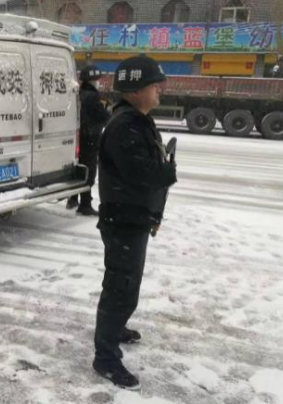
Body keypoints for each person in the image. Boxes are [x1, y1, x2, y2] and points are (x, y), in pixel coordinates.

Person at [92, 56, 177, 389]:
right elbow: (141, 173)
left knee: (126, 285)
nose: (160, 90)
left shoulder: (138, 120)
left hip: (133, 218)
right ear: (136, 89)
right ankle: (105, 358)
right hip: (123, 221)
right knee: (120, 289)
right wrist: (168, 171)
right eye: (155, 85)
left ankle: (115, 329)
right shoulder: (125, 126)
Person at [67, 65, 111, 216]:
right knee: (89, 171)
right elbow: (103, 117)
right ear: (92, 81)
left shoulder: (78, 93)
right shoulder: (93, 97)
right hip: (91, 138)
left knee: (78, 168)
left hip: (79, 137)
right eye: (96, 80)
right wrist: (107, 110)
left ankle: (73, 199)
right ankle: (85, 205)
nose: (98, 82)